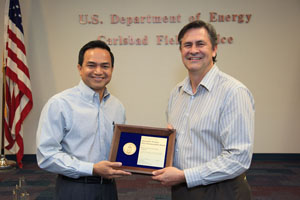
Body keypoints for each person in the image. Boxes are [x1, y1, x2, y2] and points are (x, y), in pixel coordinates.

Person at [152, 20, 255, 200]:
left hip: (222, 190)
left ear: (214, 49)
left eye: (200, 44)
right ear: (181, 51)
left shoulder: (233, 92)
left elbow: (238, 158)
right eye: (187, 45)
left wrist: (186, 176)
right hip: (182, 189)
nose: (193, 50)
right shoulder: (176, 93)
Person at [36, 40, 131, 200]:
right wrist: (91, 168)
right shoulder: (60, 104)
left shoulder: (117, 106)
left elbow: (123, 147)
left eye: (105, 66)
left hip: (109, 187)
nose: (98, 71)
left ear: (112, 69)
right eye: (91, 65)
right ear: (80, 68)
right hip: (74, 187)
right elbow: (46, 155)